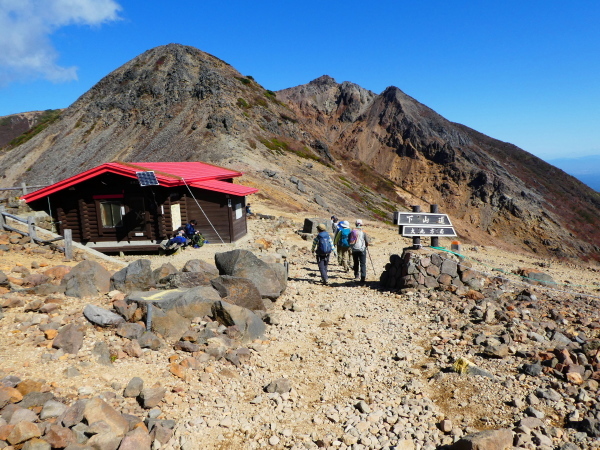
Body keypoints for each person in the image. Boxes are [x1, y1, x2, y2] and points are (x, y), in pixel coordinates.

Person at [349, 219, 370, 284]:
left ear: (356, 224)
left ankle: (356, 275)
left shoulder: (352, 231)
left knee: (356, 262)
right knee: (363, 264)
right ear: (361, 224)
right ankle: (363, 277)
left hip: (354, 249)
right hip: (362, 249)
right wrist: (366, 246)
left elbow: (349, 240)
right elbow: (367, 241)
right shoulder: (363, 232)